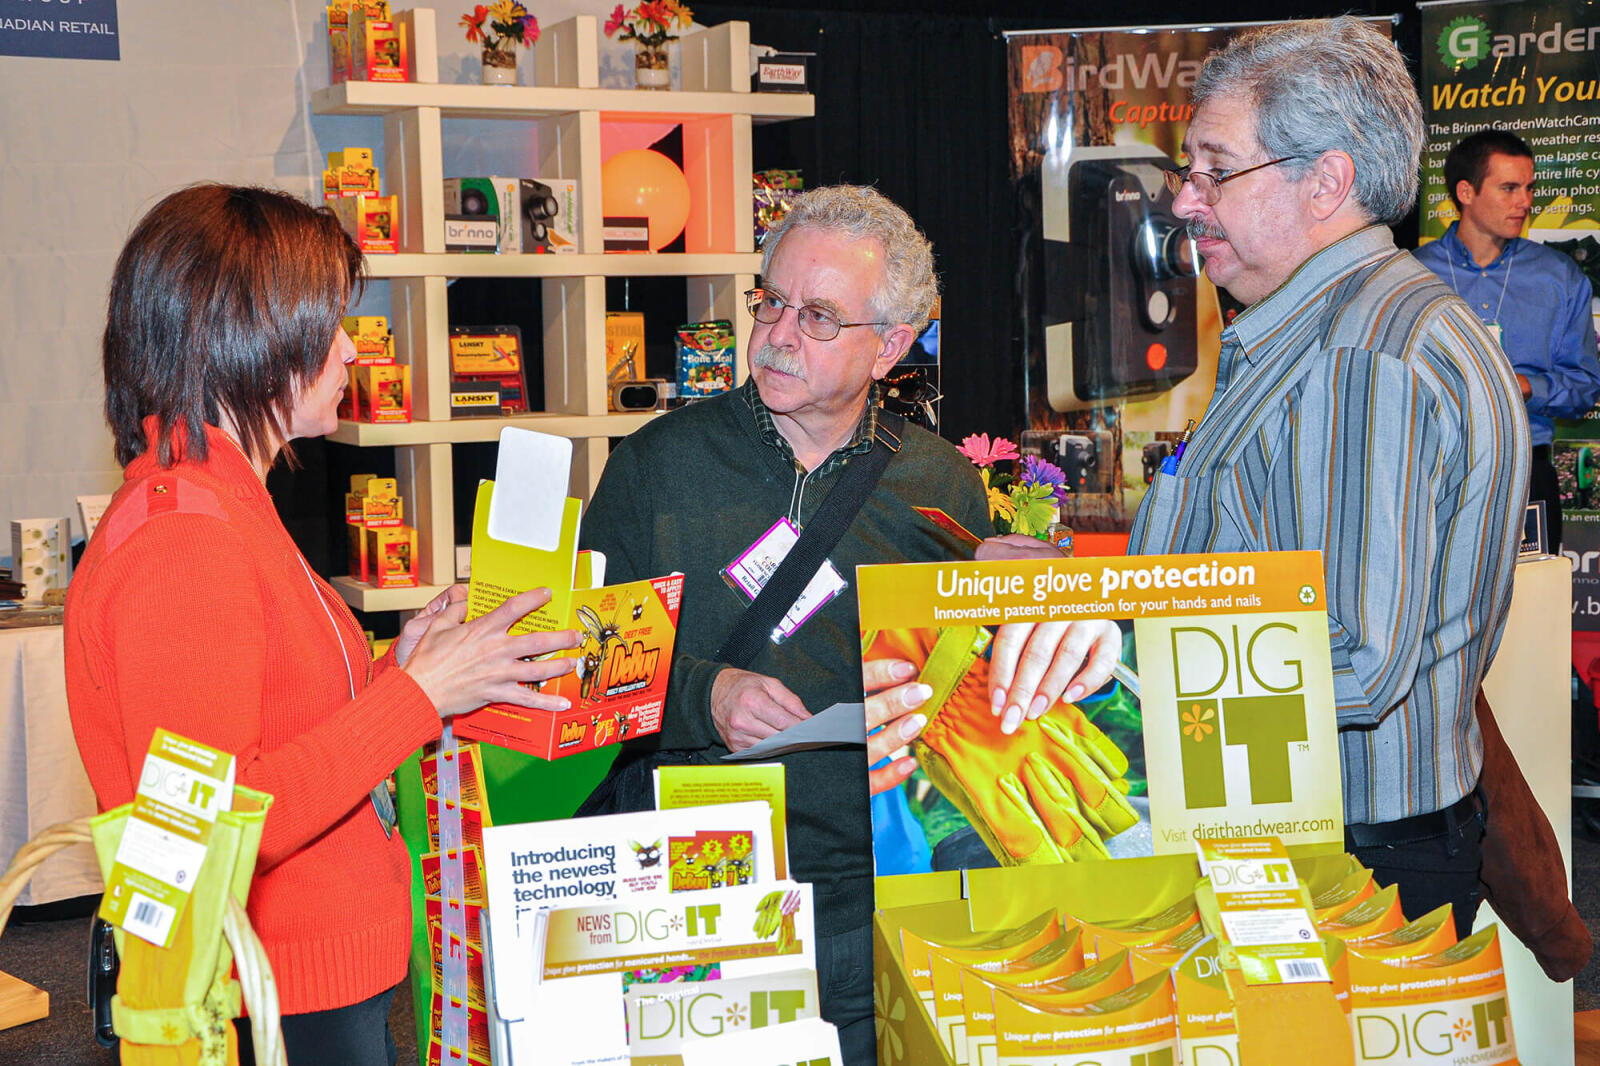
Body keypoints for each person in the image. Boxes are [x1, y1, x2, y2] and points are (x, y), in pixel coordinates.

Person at [575, 184, 1118, 1064]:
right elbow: (584, 672)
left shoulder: (938, 482)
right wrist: (701, 694)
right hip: (691, 887)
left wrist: (1021, 603)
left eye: (820, 316)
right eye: (771, 301)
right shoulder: (654, 468)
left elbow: (956, 681)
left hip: (874, 891)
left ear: (892, 347)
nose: (779, 333)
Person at [65, 184, 580, 1066]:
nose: (350, 351)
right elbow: (219, 822)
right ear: (247, 341)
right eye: (328, 325)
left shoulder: (224, 502)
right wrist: (419, 696)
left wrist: (398, 671)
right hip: (272, 1001)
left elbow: (280, 731)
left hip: (307, 981)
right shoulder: (185, 534)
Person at [1134, 18, 1529, 939]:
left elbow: (1352, 652)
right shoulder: (1330, 329)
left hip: (1346, 854)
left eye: (1215, 169)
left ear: (1327, 182)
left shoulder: (1359, 358)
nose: (1189, 201)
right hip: (1333, 834)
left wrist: (1111, 661)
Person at [1414, 128, 1600, 553]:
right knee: (1431, 603)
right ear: (1466, 191)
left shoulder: (1559, 277)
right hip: (1432, 466)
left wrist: (1524, 386)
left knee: (1531, 608)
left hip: (1526, 468)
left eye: (1530, 187)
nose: (1526, 202)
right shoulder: (1413, 275)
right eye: (1510, 188)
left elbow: (1585, 385)